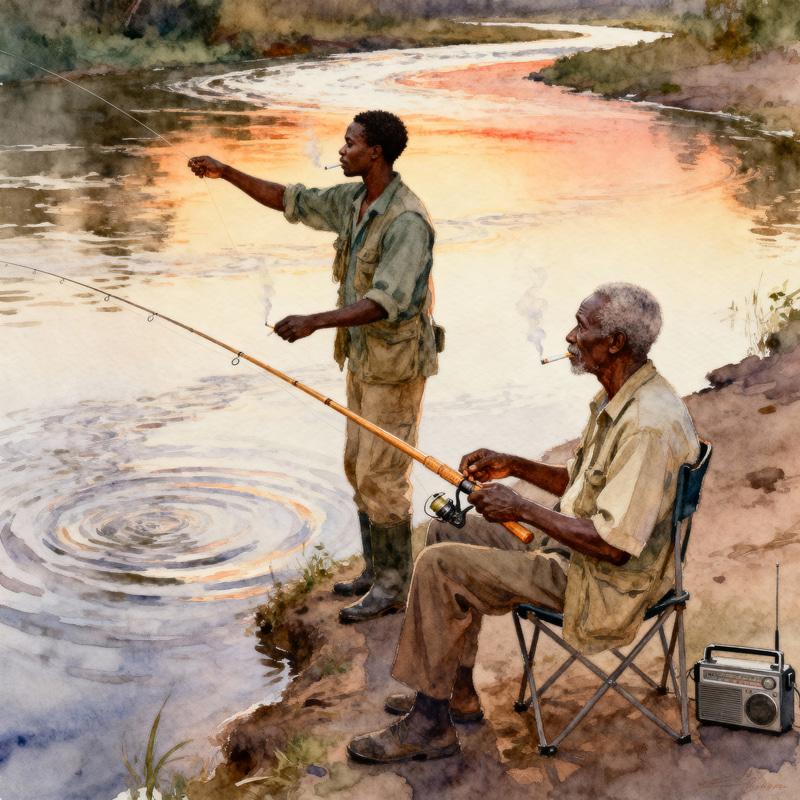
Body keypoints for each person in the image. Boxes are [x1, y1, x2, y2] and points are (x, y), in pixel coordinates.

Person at [347, 282, 700, 763]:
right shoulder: (622, 396)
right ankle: (456, 693)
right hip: (581, 556)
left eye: (583, 325)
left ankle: (429, 727)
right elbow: (582, 483)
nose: (571, 336)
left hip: (602, 586)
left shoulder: (646, 425)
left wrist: (522, 508)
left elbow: (614, 546)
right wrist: (513, 464)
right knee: (448, 530)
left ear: (615, 342)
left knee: (437, 564)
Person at [188, 111, 441, 623]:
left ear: (376, 154)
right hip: (363, 362)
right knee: (356, 466)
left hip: (396, 368)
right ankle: (376, 571)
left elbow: (381, 303)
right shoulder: (352, 200)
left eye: (350, 144)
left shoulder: (408, 221)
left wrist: (313, 321)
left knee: (383, 475)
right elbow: (290, 199)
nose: (341, 151)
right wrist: (226, 172)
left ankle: (395, 584)